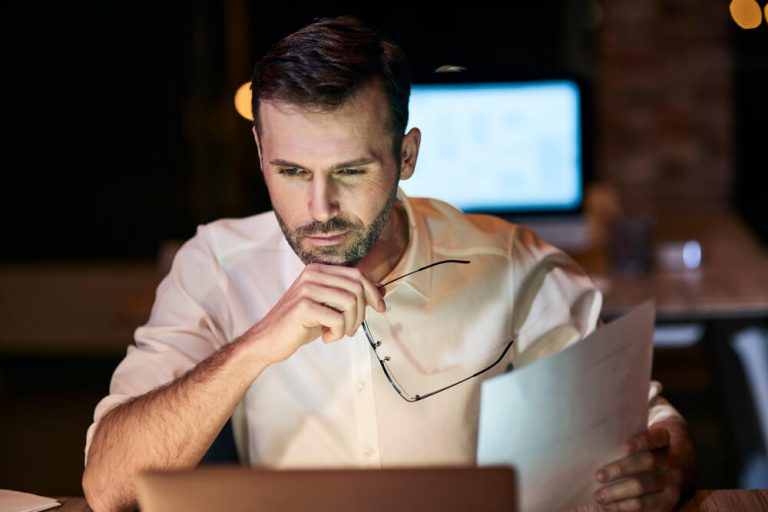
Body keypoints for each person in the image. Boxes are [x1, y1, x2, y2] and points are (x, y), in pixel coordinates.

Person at [82, 15, 696, 512]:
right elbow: (108, 487)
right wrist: (257, 345)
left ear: (406, 156)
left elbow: (652, 425)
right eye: (290, 171)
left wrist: (662, 467)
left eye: (350, 171)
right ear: (259, 152)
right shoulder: (215, 263)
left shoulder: (513, 264)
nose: (318, 209)